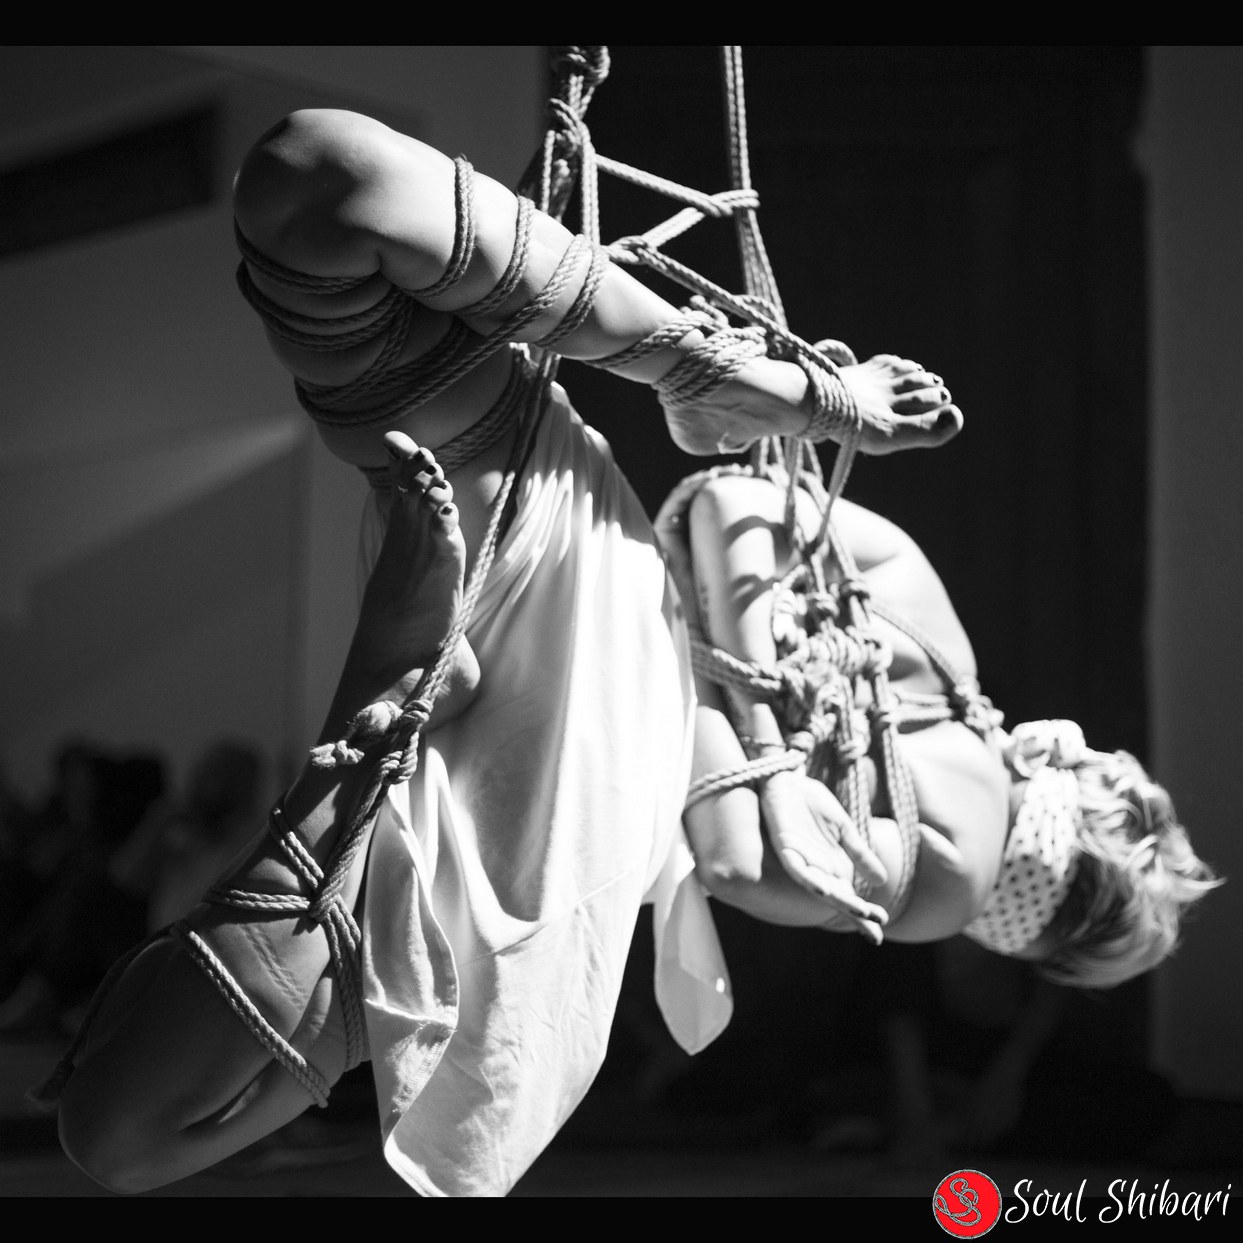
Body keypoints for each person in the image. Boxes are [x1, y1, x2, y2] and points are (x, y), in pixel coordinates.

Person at [48, 103, 962, 1198]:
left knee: (317, 183)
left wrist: (380, 689)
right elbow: (742, 851)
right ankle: (710, 382)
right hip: (528, 578)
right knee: (313, 178)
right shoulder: (477, 923)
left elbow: (123, 1139)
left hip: (518, 599)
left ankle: (701, 382)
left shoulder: (426, 941)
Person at [657, 466, 1220, 986]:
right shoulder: (957, 884)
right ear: (1030, 937)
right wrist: (729, 709)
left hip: (613, 543)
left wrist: (693, 616)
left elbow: (726, 503)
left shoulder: (938, 633)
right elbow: (737, 867)